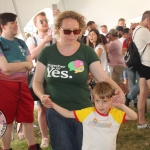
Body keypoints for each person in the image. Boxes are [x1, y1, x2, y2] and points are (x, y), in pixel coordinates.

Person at [32, 10, 125, 150]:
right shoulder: (47, 52)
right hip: (56, 110)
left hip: (83, 111)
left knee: (84, 146)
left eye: (76, 31)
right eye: (67, 31)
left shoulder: (86, 52)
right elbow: (37, 81)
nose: (72, 35)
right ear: (58, 29)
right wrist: (41, 95)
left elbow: (103, 77)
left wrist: (118, 90)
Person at [49, 82, 138, 150]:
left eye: (104, 102)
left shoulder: (115, 114)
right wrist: (52, 104)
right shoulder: (88, 113)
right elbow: (67, 114)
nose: (100, 105)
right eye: (97, 101)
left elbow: (134, 117)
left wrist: (122, 106)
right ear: (93, 100)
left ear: (111, 100)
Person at [0, 13, 42, 150]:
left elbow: (30, 65)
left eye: (16, 22)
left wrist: (13, 67)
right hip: (5, 87)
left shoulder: (21, 42)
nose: (16, 25)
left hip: (23, 85)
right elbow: (4, 68)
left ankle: (33, 147)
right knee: (7, 121)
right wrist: (22, 65)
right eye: (12, 23)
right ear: (3, 26)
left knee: (28, 118)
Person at [26, 11, 52, 148]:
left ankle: (56, 132)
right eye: (41, 21)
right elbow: (31, 55)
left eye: (45, 20)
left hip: (55, 75)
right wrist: (44, 41)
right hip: (40, 77)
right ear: (35, 24)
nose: (44, 23)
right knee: (42, 108)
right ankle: (45, 137)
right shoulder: (32, 39)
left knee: (57, 105)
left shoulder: (54, 37)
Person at [133, 11, 150, 129]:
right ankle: (141, 122)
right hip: (148, 65)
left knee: (143, 94)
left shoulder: (136, 30)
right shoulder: (144, 30)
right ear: (148, 20)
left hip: (142, 66)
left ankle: (141, 122)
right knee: (143, 94)